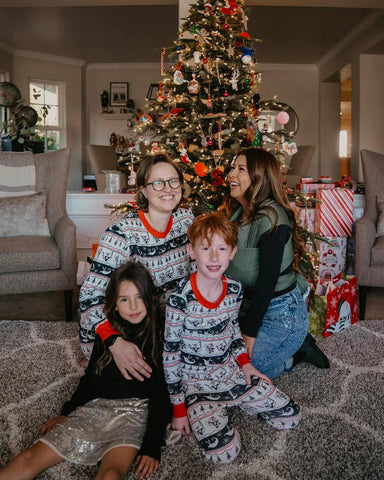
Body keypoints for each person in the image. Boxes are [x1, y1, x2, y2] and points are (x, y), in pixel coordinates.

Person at [0, 262, 171, 480]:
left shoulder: (160, 334)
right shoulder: (108, 335)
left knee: (111, 474)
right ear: (115, 305)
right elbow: (91, 377)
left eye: (140, 297)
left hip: (135, 413)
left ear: (151, 298)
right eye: (124, 299)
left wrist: (152, 445)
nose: (134, 306)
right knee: (28, 458)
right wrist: (67, 411)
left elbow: (162, 392)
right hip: (96, 408)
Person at [163, 213, 301, 465]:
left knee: (291, 415)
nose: (214, 257)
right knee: (223, 453)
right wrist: (179, 409)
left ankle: (238, 402)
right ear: (192, 252)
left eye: (221, 248)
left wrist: (246, 364)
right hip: (196, 386)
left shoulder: (234, 290)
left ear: (232, 252)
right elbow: (170, 356)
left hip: (230, 374)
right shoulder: (180, 299)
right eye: (206, 248)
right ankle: (216, 411)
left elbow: (233, 332)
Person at [79, 153, 194, 379]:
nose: (167, 189)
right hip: (130, 323)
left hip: (169, 322)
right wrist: (115, 341)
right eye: (157, 183)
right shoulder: (122, 233)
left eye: (173, 181)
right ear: (143, 190)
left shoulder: (187, 221)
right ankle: (96, 358)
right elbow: (89, 295)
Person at [225, 147, 329, 380]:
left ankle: (298, 353)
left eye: (240, 169)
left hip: (280, 313)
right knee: (219, 361)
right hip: (247, 307)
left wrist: (250, 332)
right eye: (233, 167)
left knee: (239, 374)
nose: (231, 174)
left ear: (260, 177)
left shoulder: (272, 218)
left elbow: (267, 280)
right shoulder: (238, 213)